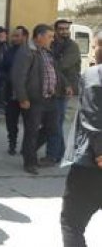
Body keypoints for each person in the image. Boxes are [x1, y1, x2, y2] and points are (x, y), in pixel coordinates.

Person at [60, 31, 102, 247]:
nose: (93, 51)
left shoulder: (94, 74)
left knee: (71, 223)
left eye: (94, 46)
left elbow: (93, 117)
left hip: (92, 163)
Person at [11, 24, 62, 175]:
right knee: (32, 131)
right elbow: (18, 76)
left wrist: (65, 85)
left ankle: (28, 149)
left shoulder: (47, 52)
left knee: (52, 128)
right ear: (39, 36)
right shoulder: (27, 51)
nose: (52, 40)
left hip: (50, 98)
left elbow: (54, 71)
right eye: (49, 36)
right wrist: (23, 98)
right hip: (33, 99)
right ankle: (30, 162)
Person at [47, 19, 81, 166]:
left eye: (67, 29)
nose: (64, 31)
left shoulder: (72, 46)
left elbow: (61, 65)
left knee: (56, 122)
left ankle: (53, 155)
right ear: (55, 30)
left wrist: (48, 63)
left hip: (64, 90)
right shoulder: (53, 44)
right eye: (61, 29)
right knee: (54, 122)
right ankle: (59, 154)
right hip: (53, 88)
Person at [2, 26, 30, 155]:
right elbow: (2, 68)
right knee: (11, 122)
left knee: (30, 123)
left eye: (17, 36)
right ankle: (12, 144)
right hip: (11, 94)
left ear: (25, 36)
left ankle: (27, 148)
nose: (14, 38)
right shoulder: (9, 51)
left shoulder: (31, 52)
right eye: (13, 36)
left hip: (27, 94)